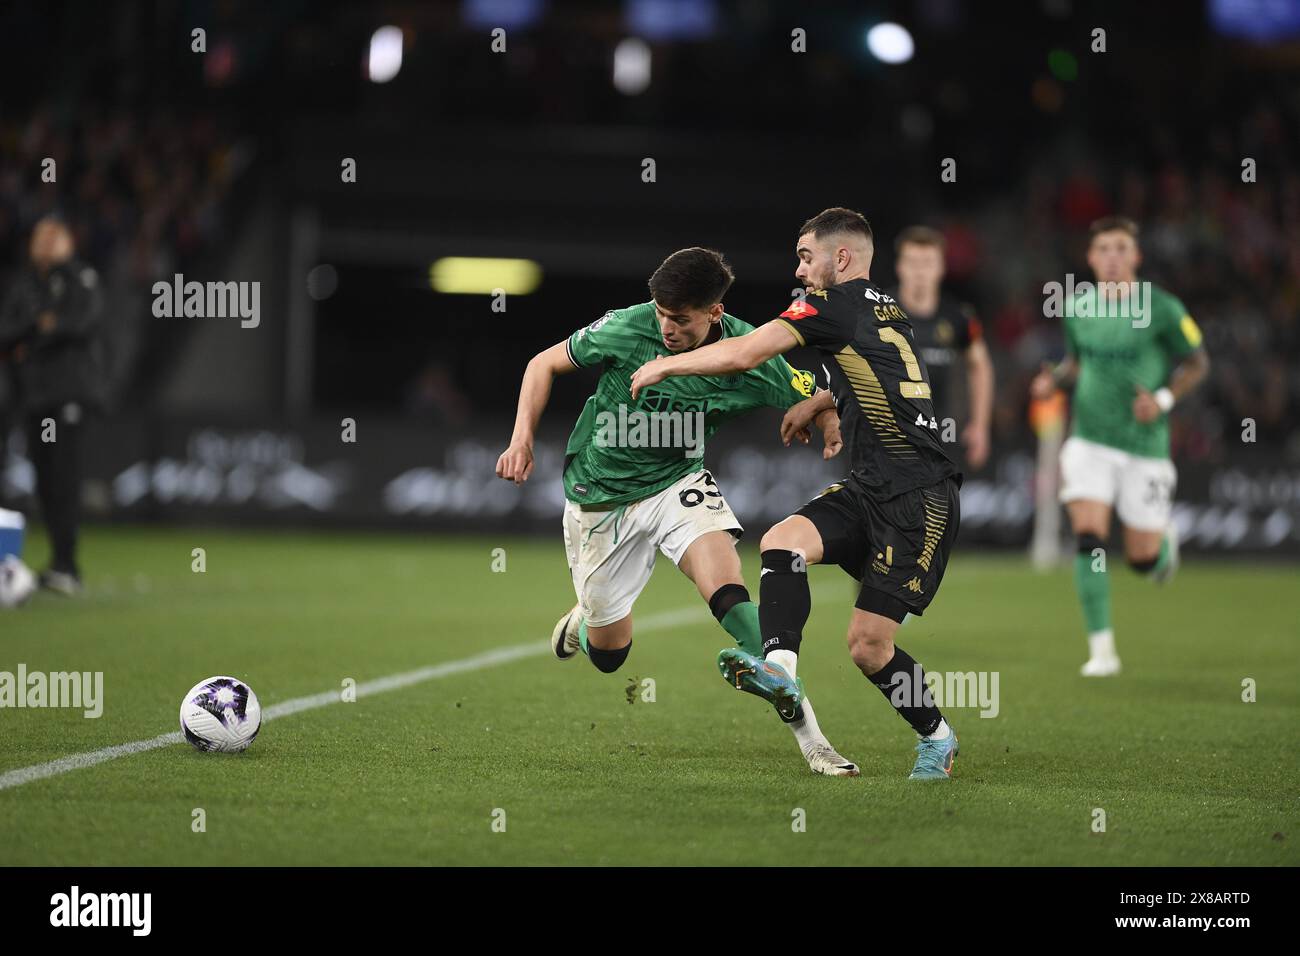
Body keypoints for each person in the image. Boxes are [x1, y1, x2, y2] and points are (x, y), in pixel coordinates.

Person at [495, 247, 860, 776]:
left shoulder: (746, 351)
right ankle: (585, 619)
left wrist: (826, 418)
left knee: (733, 600)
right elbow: (542, 362)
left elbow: (818, 391)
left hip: (676, 485)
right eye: (662, 314)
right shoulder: (627, 327)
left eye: (680, 319)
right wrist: (521, 438)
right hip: (600, 498)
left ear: (714, 312)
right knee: (609, 655)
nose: (666, 327)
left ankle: (816, 743)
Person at [631, 209, 964, 780]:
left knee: (868, 647)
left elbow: (745, 352)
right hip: (870, 487)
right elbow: (876, 375)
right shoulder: (885, 308)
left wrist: (668, 365)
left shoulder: (832, 306)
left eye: (807, 256)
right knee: (781, 541)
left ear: (841, 259)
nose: (799, 268)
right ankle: (780, 667)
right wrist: (820, 401)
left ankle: (937, 736)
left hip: (919, 500)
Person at [1030, 216, 1208, 676]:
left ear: (1136, 256)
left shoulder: (1162, 307)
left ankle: (1161, 550)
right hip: (1089, 440)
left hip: (1144, 446)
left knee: (1142, 559)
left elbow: (1197, 361)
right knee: (1088, 535)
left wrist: (1164, 398)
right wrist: (1054, 381)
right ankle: (1102, 650)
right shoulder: (1078, 306)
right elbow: (1075, 364)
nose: (1112, 257)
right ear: (1090, 258)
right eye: (1103, 249)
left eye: (1121, 248)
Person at [0, 217, 104, 595]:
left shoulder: (81, 278)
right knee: (44, 480)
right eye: (39, 236)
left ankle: (68, 565)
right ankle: (58, 562)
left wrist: (32, 338)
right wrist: (38, 325)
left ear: (68, 242)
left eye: (53, 236)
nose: (44, 243)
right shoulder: (24, 284)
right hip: (33, 396)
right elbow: (7, 331)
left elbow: (80, 324)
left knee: (64, 476)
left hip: (68, 395)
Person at [888, 226, 993, 470]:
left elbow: (980, 365)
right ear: (899, 267)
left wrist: (980, 425)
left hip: (939, 430)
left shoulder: (958, 317)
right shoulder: (877, 311)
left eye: (927, 263)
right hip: (886, 432)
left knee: (933, 506)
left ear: (941, 268)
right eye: (912, 262)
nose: (919, 272)